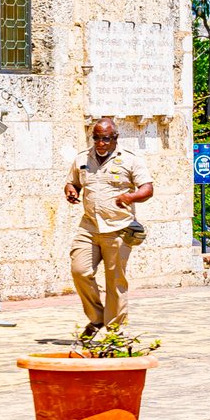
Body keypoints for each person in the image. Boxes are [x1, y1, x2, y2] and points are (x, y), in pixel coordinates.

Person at [64, 117, 153, 335]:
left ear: (115, 138)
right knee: (80, 271)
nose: (100, 143)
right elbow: (72, 182)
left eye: (105, 138)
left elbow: (147, 188)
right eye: (96, 138)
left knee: (115, 282)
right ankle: (97, 318)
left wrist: (131, 197)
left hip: (118, 228)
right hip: (89, 227)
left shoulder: (130, 160)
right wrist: (71, 190)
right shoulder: (82, 159)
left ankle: (115, 332)